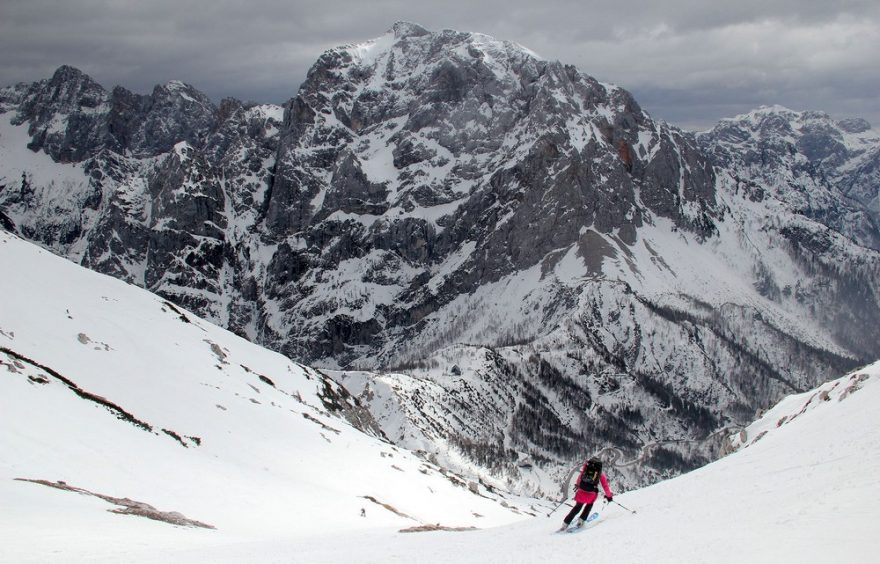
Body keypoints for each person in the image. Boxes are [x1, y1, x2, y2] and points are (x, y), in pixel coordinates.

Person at [559, 456, 613, 531]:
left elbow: (579, 479)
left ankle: (565, 524)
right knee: (589, 506)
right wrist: (609, 496)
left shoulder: (585, 470)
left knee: (577, 508)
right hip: (591, 493)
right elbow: (605, 486)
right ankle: (581, 521)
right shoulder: (600, 474)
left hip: (581, 491)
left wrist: (578, 485)